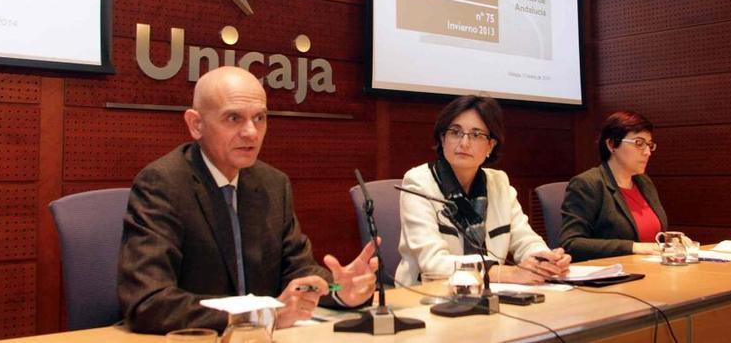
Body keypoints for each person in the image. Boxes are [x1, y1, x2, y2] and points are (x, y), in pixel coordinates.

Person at [118, 66, 377, 333]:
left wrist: (338, 289)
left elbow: (298, 273)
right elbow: (148, 302)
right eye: (233, 118)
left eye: (260, 118)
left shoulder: (272, 184)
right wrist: (258, 315)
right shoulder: (164, 183)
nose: (251, 133)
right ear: (196, 124)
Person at [396, 95, 571, 287]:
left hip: (491, 293)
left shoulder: (499, 184)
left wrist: (545, 260)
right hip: (428, 296)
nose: (464, 143)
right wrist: (507, 273)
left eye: (476, 135)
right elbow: (433, 264)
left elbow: (525, 240)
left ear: (491, 145)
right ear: (442, 138)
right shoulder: (418, 183)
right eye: (455, 132)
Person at [559, 110, 668, 262]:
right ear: (612, 144)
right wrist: (633, 247)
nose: (647, 152)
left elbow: (655, 237)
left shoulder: (644, 182)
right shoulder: (588, 184)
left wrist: (672, 242)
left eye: (649, 145)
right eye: (639, 143)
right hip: (612, 276)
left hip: (650, 270)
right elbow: (571, 244)